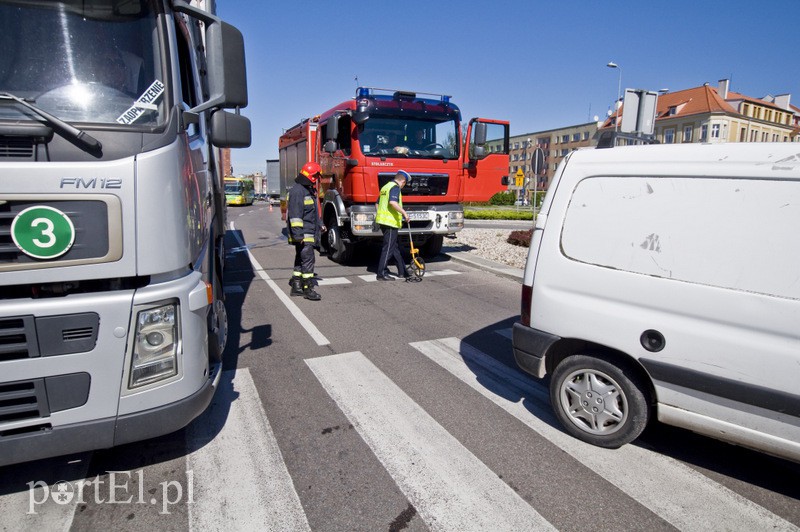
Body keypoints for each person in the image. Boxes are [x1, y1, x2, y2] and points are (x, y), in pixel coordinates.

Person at [286, 161, 325, 300]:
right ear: (312, 176)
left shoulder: (307, 189)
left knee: (300, 259)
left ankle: (296, 286)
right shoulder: (298, 191)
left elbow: (312, 213)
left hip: (307, 232)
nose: (317, 179)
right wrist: (298, 235)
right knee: (308, 260)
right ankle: (308, 289)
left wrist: (320, 224)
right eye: (316, 176)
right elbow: (295, 216)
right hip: (304, 234)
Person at [376, 170, 411, 281]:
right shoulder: (395, 187)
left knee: (394, 247)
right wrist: (404, 213)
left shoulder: (385, 187)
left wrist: (380, 215)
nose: (403, 186)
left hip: (383, 221)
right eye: (404, 183)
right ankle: (381, 273)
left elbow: (377, 203)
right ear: (403, 181)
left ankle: (402, 271)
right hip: (390, 223)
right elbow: (393, 202)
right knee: (388, 249)